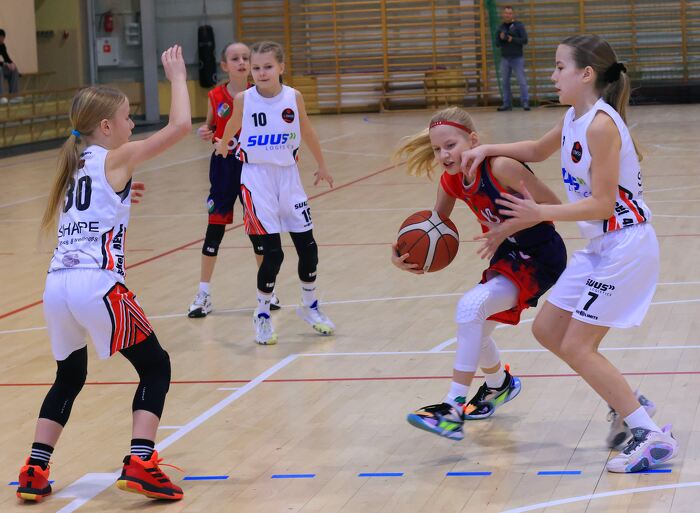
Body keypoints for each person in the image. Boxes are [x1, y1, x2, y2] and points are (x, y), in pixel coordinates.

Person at [461, 34, 676, 473]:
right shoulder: (574, 117)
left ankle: (650, 434)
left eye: (560, 67)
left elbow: (602, 205)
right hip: (600, 247)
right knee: (547, 330)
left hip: (626, 245)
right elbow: (537, 151)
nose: (553, 75)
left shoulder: (601, 125)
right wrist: (487, 148)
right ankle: (628, 402)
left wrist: (539, 212)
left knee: (578, 345)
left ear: (586, 74)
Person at [16, 45, 191, 503]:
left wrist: (123, 197)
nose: (132, 125)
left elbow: (92, 209)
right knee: (156, 366)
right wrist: (177, 76)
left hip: (57, 286)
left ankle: (34, 468)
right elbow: (179, 127)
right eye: (128, 118)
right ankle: (141, 461)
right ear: (107, 127)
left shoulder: (72, 164)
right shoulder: (116, 157)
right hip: (98, 283)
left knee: (69, 376)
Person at [392, 106, 567, 441]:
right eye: (437, 149)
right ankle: (499, 384)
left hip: (540, 255)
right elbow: (435, 225)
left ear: (472, 141)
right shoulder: (451, 179)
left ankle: (452, 407)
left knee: (470, 308)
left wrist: (508, 227)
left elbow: (554, 208)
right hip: (508, 255)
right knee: (475, 329)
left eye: (451, 145)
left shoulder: (500, 167)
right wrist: (403, 253)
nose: (444, 155)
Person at [215, 41, 335, 345]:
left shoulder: (293, 97)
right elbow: (232, 124)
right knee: (273, 254)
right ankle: (262, 314)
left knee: (309, 248)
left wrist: (322, 165)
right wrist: (223, 144)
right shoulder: (244, 99)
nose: (261, 72)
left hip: (288, 177)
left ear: (281, 67)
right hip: (257, 179)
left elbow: (307, 130)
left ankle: (310, 306)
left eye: (268, 66)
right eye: (256, 68)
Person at [187, 41, 280, 318]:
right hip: (223, 168)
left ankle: (267, 291)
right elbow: (210, 127)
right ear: (224, 65)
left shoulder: (260, 94)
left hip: (251, 167)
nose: (241, 62)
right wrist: (205, 132)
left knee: (257, 233)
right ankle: (203, 294)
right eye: (235, 58)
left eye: (245, 58)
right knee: (214, 231)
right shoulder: (215, 95)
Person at [495, 6, 529, 111]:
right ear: (503, 14)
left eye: (509, 13)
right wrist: (501, 38)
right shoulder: (500, 27)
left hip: (517, 58)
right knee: (505, 82)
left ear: (512, 14)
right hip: (505, 58)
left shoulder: (519, 26)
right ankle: (506, 104)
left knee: (522, 81)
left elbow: (525, 40)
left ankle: (525, 102)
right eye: (506, 13)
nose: (507, 15)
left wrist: (511, 39)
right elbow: (497, 44)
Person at [0, 28, 20, 100]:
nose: (2, 40)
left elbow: (6, 58)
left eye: (3, 38)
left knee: (14, 70)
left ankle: (14, 96)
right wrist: (4, 64)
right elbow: (3, 63)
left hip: (1, 66)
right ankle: (1, 96)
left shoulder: (2, 46)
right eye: (1, 38)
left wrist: (12, 64)